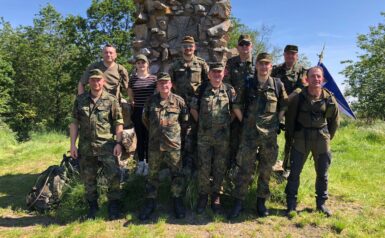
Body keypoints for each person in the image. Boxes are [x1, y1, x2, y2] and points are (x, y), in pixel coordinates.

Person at [228, 53, 288, 219]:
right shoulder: (248, 83)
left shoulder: (277, 84)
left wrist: (277, 121)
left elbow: (283, 105)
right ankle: (238, 202)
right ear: (256, 66)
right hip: (249, 135)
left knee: (265, 169)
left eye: (267, 64)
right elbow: (237, 104)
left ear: (270, 66)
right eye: (261, 64)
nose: (263, 67)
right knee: (244, 169)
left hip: (269, 136)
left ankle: (261, 202)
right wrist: (245, 122)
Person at [285, 66, 339, 217]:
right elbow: (290, 120)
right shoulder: (299, 97)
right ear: (307, 79)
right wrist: (292, 137)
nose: (316, 79)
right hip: (301, 139)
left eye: (318, 76)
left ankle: (321, 204)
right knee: (294, 173)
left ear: (322, 79)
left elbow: (334, 123)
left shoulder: (329, 99)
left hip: (321, 139)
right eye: (313, 76)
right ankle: (291, 204)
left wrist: (327, 138)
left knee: (322, 174)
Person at [69, 69, 124, 220]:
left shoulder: (111, 100)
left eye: (99, 79)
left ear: (103, 81)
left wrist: (119, 143)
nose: (96, 82)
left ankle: (114, 205)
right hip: (86, 147)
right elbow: (74, 123)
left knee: (113, 176)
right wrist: (72, 145)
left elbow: (118, 122)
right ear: (89, 82)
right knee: (88, 178)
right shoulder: (80, 100)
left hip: (107, 146)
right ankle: (93, 206)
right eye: (93, 80)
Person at [139, 72, 189, 220]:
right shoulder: (150, 101)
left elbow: (184, 122)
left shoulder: (179, 101)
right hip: (155, 146)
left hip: (173, 146)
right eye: (161, 83)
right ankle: (150, 202)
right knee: (152, 176)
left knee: (177, 175)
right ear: (157, 85)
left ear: (171, 84)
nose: (164, 85)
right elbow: (145, 120)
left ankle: (177, 201)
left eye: (166, 82)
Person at [190, 62, 238, 214]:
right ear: (209, 74)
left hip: (223, 137)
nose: (217, 75)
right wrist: (203, 123)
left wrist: (225, 124)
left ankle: (216, 196)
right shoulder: (202, 88)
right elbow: (193, 108)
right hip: (204, 137)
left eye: (220, 72)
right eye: (214, 72)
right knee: (204, 167)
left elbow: (235, 110)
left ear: (224, 74)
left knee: (219, 167)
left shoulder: (229, 90)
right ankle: (203, 195)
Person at [169, 36, 209, 175]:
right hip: (179, 108)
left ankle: (195, 168)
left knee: (196, 136)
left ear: (195, 47)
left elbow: (207, 84)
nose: (188, 48)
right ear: (181, 48)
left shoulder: (201, 64)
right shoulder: (175, 65)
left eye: (190, 46)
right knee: (179, 136)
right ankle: (179, 168)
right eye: (185, 46)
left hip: (196, 108)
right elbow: (169, 84)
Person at [271, 45, 308, 171]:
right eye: (288, 54)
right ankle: (269, 163)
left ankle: (287, 167)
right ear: (284, 55)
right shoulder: (276, 69)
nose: (290, 56)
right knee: (270, 134)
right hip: (276, 106)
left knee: (291, 138)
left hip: (293, 107)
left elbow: (301, 87)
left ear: (296, 56)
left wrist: (287, 98)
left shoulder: (302, 70)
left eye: (293, 54)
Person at [77, 44, 132, 129]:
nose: (108, 55)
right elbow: (81, 83)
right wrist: (81, 100)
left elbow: (128, 87)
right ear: (102, 54)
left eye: (111, 52)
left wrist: (131, 100)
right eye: (106, 52)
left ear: (115, 55)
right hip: (96, 104)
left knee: (120, 126)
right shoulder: (94, 67)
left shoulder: (120, 69)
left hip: (114, 103)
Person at [224, 34, 254, 168]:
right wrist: (231, 91)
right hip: (232, 109)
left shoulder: (257, 63)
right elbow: (225, 82)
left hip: (250, 108)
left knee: (249, 139)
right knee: (232, 139)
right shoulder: (230, 63)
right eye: (242, 44)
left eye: (247, 44)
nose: (244, 47)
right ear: (238, 47)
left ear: (251, 46)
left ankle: (247, 168)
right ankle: (231, 167)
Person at [128, 54, 157, 176]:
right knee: (140, 138)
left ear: (147, 64)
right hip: (138, 110)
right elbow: (129, 89)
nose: (141, 65)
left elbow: (157, 92)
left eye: (143, 63)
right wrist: (131, 100)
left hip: (150, 112)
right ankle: (141, 163)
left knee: (149, 137)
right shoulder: (133, 79)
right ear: (136, 65)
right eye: (139, 63)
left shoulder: (153, 78)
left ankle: (149, 164)